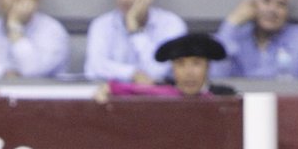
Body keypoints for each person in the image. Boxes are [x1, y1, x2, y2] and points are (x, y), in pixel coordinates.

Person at [84, 0, 187, 85]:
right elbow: (93, 68)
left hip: (159, 98)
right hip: (113, 98)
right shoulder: (101, 25)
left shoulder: (171, 24)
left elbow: (159, 72)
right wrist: (132, 73)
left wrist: (134, 29)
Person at [209, 0, 298, 80]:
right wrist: (232, 22)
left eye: (281, 4)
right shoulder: (236, 35)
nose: (272, 9)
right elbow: (216, 75)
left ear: (287, 11)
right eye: (266, 1)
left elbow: (291, 75)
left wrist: (244, 80)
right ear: (253, 5)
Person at [96, 32, 232, 100]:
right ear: (173, 68)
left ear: (207, 66)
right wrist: (108, 89)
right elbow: (126, 89)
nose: (189, 72)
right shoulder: (160, 93)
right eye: (180, 64)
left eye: (196, 64)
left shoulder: (224, 96)